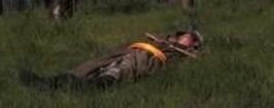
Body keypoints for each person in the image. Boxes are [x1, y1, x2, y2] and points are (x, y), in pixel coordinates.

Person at [20, 30, 203, 89]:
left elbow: (195, 58)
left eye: (190, 38)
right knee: (94, 65)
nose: (186, 38)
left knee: (117, 73)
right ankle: (50, 82)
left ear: (193, 43)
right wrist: (165, 40)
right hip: (131, 50)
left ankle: (81, 89)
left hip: (146, 59)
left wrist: (191, 49)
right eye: (186, 35)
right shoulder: (167, 39)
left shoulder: (183, 53)